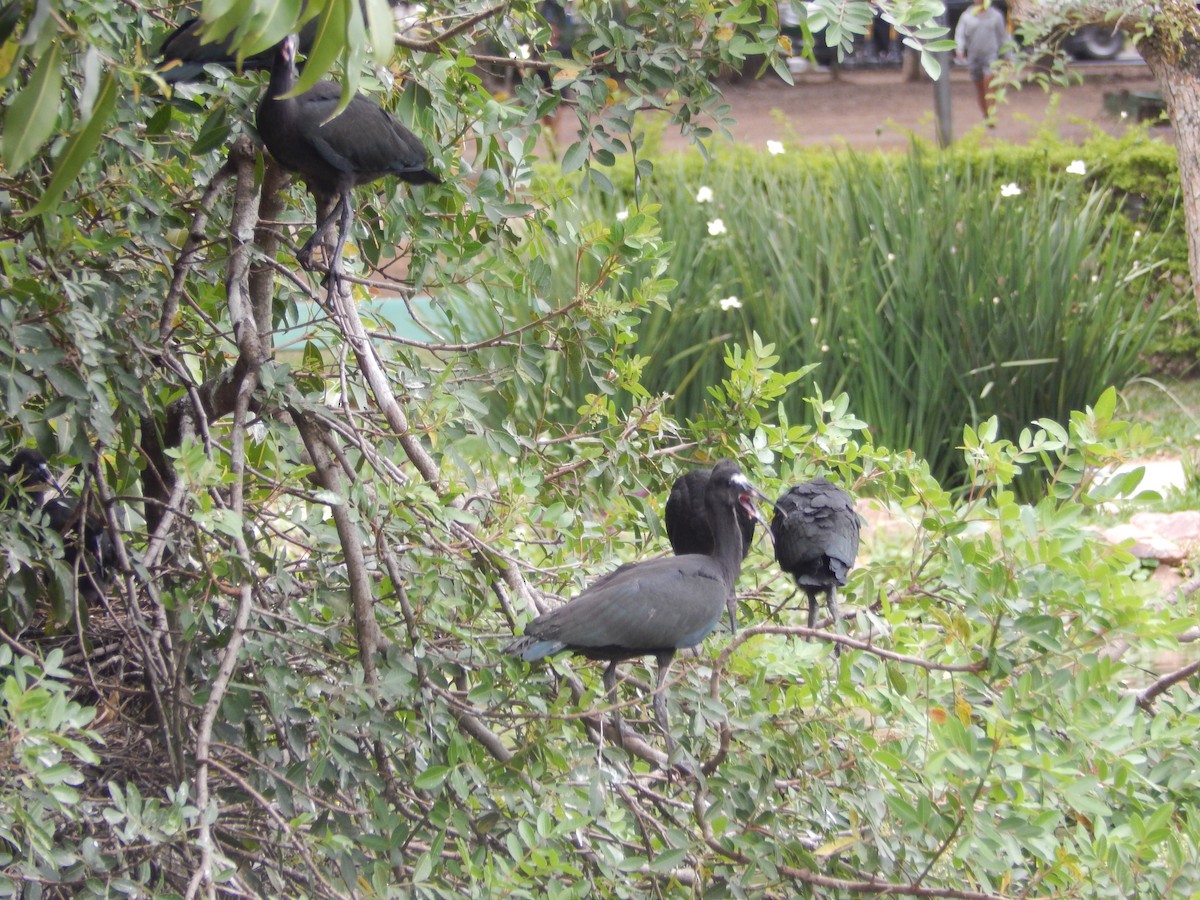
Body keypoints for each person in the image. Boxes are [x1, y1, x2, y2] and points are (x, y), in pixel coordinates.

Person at [954, 0, 1009, 123]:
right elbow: (960, 34)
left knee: (989, 84)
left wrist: (1007, 55)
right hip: (974, 56)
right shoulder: (967, 16)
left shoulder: (996, 16)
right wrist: (960, 49)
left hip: (991, 56)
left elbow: (1002, 36)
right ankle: (985, 114)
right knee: (980, 88)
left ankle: (992, 113)